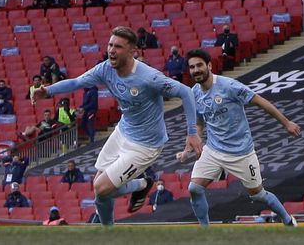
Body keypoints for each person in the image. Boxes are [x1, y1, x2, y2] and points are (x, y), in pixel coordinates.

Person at [32, 26, 201, 226]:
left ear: (132, 52)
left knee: (101, 187)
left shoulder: (148, 77)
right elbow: (77, 82)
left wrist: (192, 133)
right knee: (100, 191)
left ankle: (140, 185)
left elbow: (187, 93)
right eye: (110, 45)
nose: (111, 50)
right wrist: (48, 91)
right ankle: (114, 224)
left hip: (146, 145)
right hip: (123, 131)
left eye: (118, 47)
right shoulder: (105, 69)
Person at [179, 48, 299, 226]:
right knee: (194, 188)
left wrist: (286, 123)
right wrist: (189, 146)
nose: (196, 70)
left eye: (199, 65)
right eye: (192, 67)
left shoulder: (229, 86)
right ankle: (205, 233)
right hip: (213, 150)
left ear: (209, 66)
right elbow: (199, 122)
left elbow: (260, 101)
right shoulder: (194, 93)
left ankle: (288, 219)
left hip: (241, 152)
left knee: (258, 195)